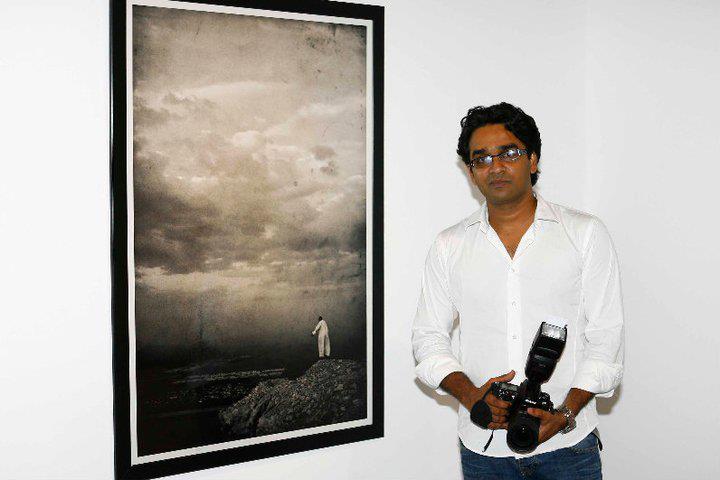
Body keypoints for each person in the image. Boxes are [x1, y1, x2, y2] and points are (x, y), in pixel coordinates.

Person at [412, 103, 624, 479]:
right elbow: (428, 339)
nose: (495, 166)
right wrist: (471, 396)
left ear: (533, 159)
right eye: (481, 158)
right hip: (484, 450)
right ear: (470, 172)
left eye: (508, 153)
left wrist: (565, 413)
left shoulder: (584, 234)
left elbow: (606, 339)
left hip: (568, 449)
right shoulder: (449, 246)